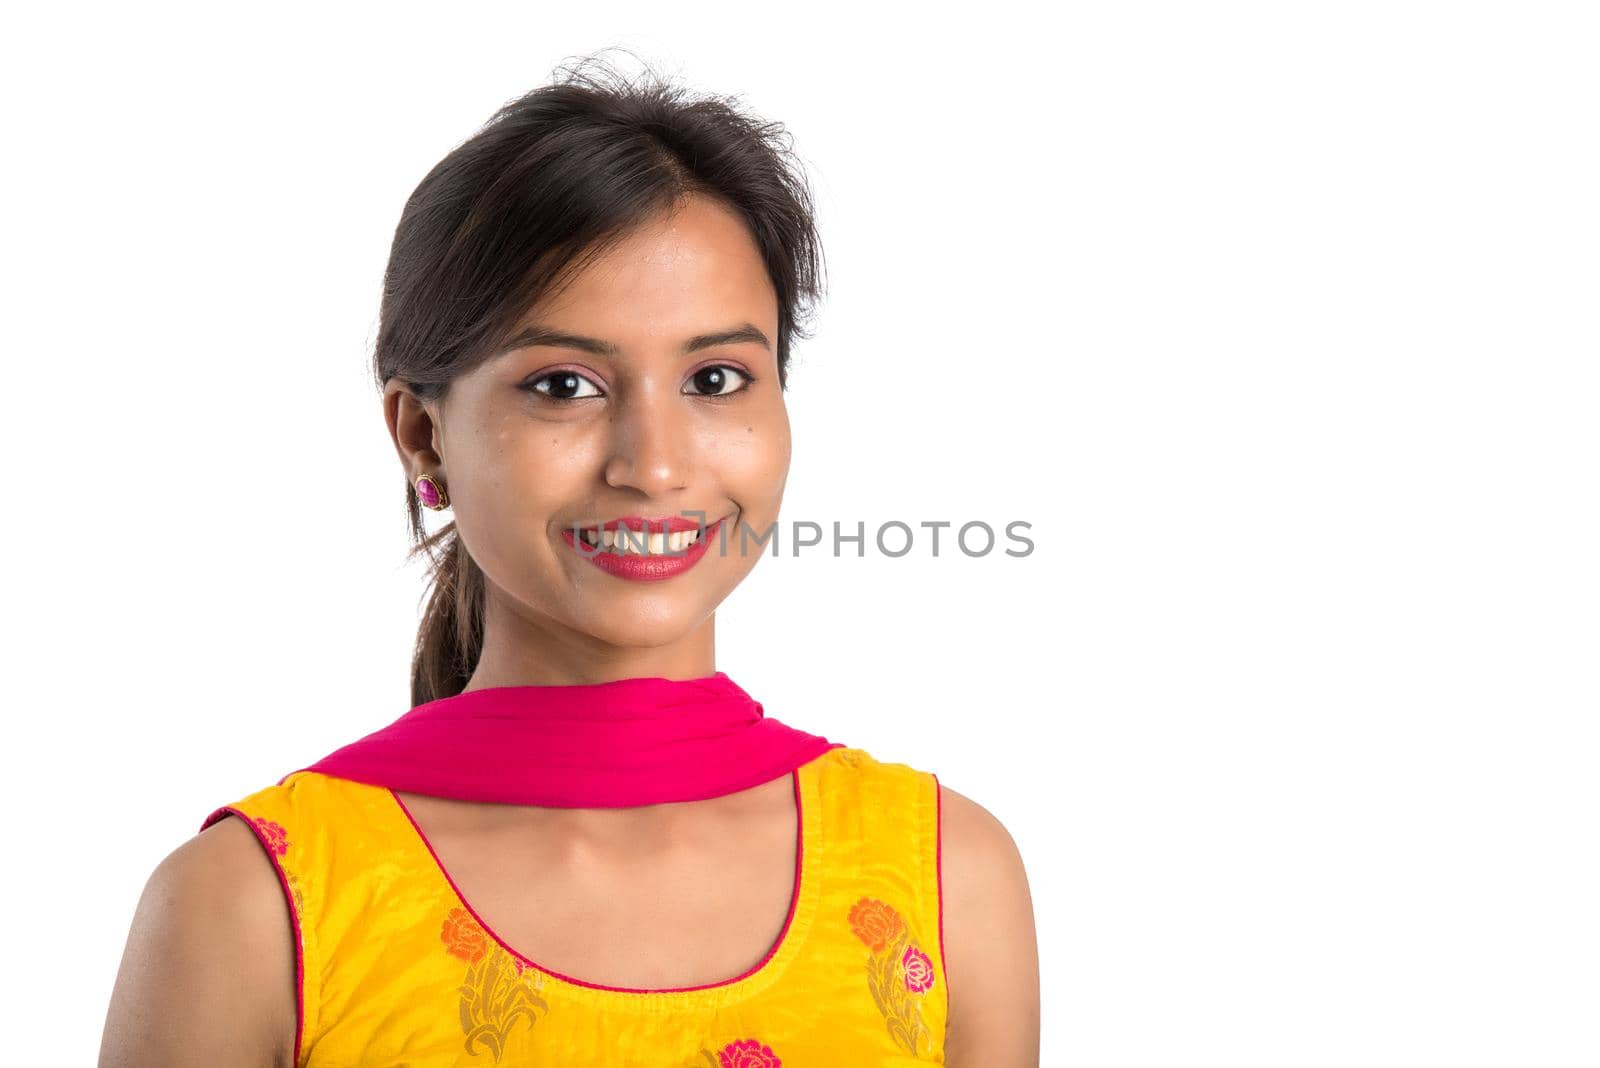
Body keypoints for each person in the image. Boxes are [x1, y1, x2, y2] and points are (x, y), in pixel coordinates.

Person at [100, 55, 1040, 1067]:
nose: (655, 464)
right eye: (562, 386)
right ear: (423, 436)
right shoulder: (251, 910)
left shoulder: (943, 880)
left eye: (716, 377)